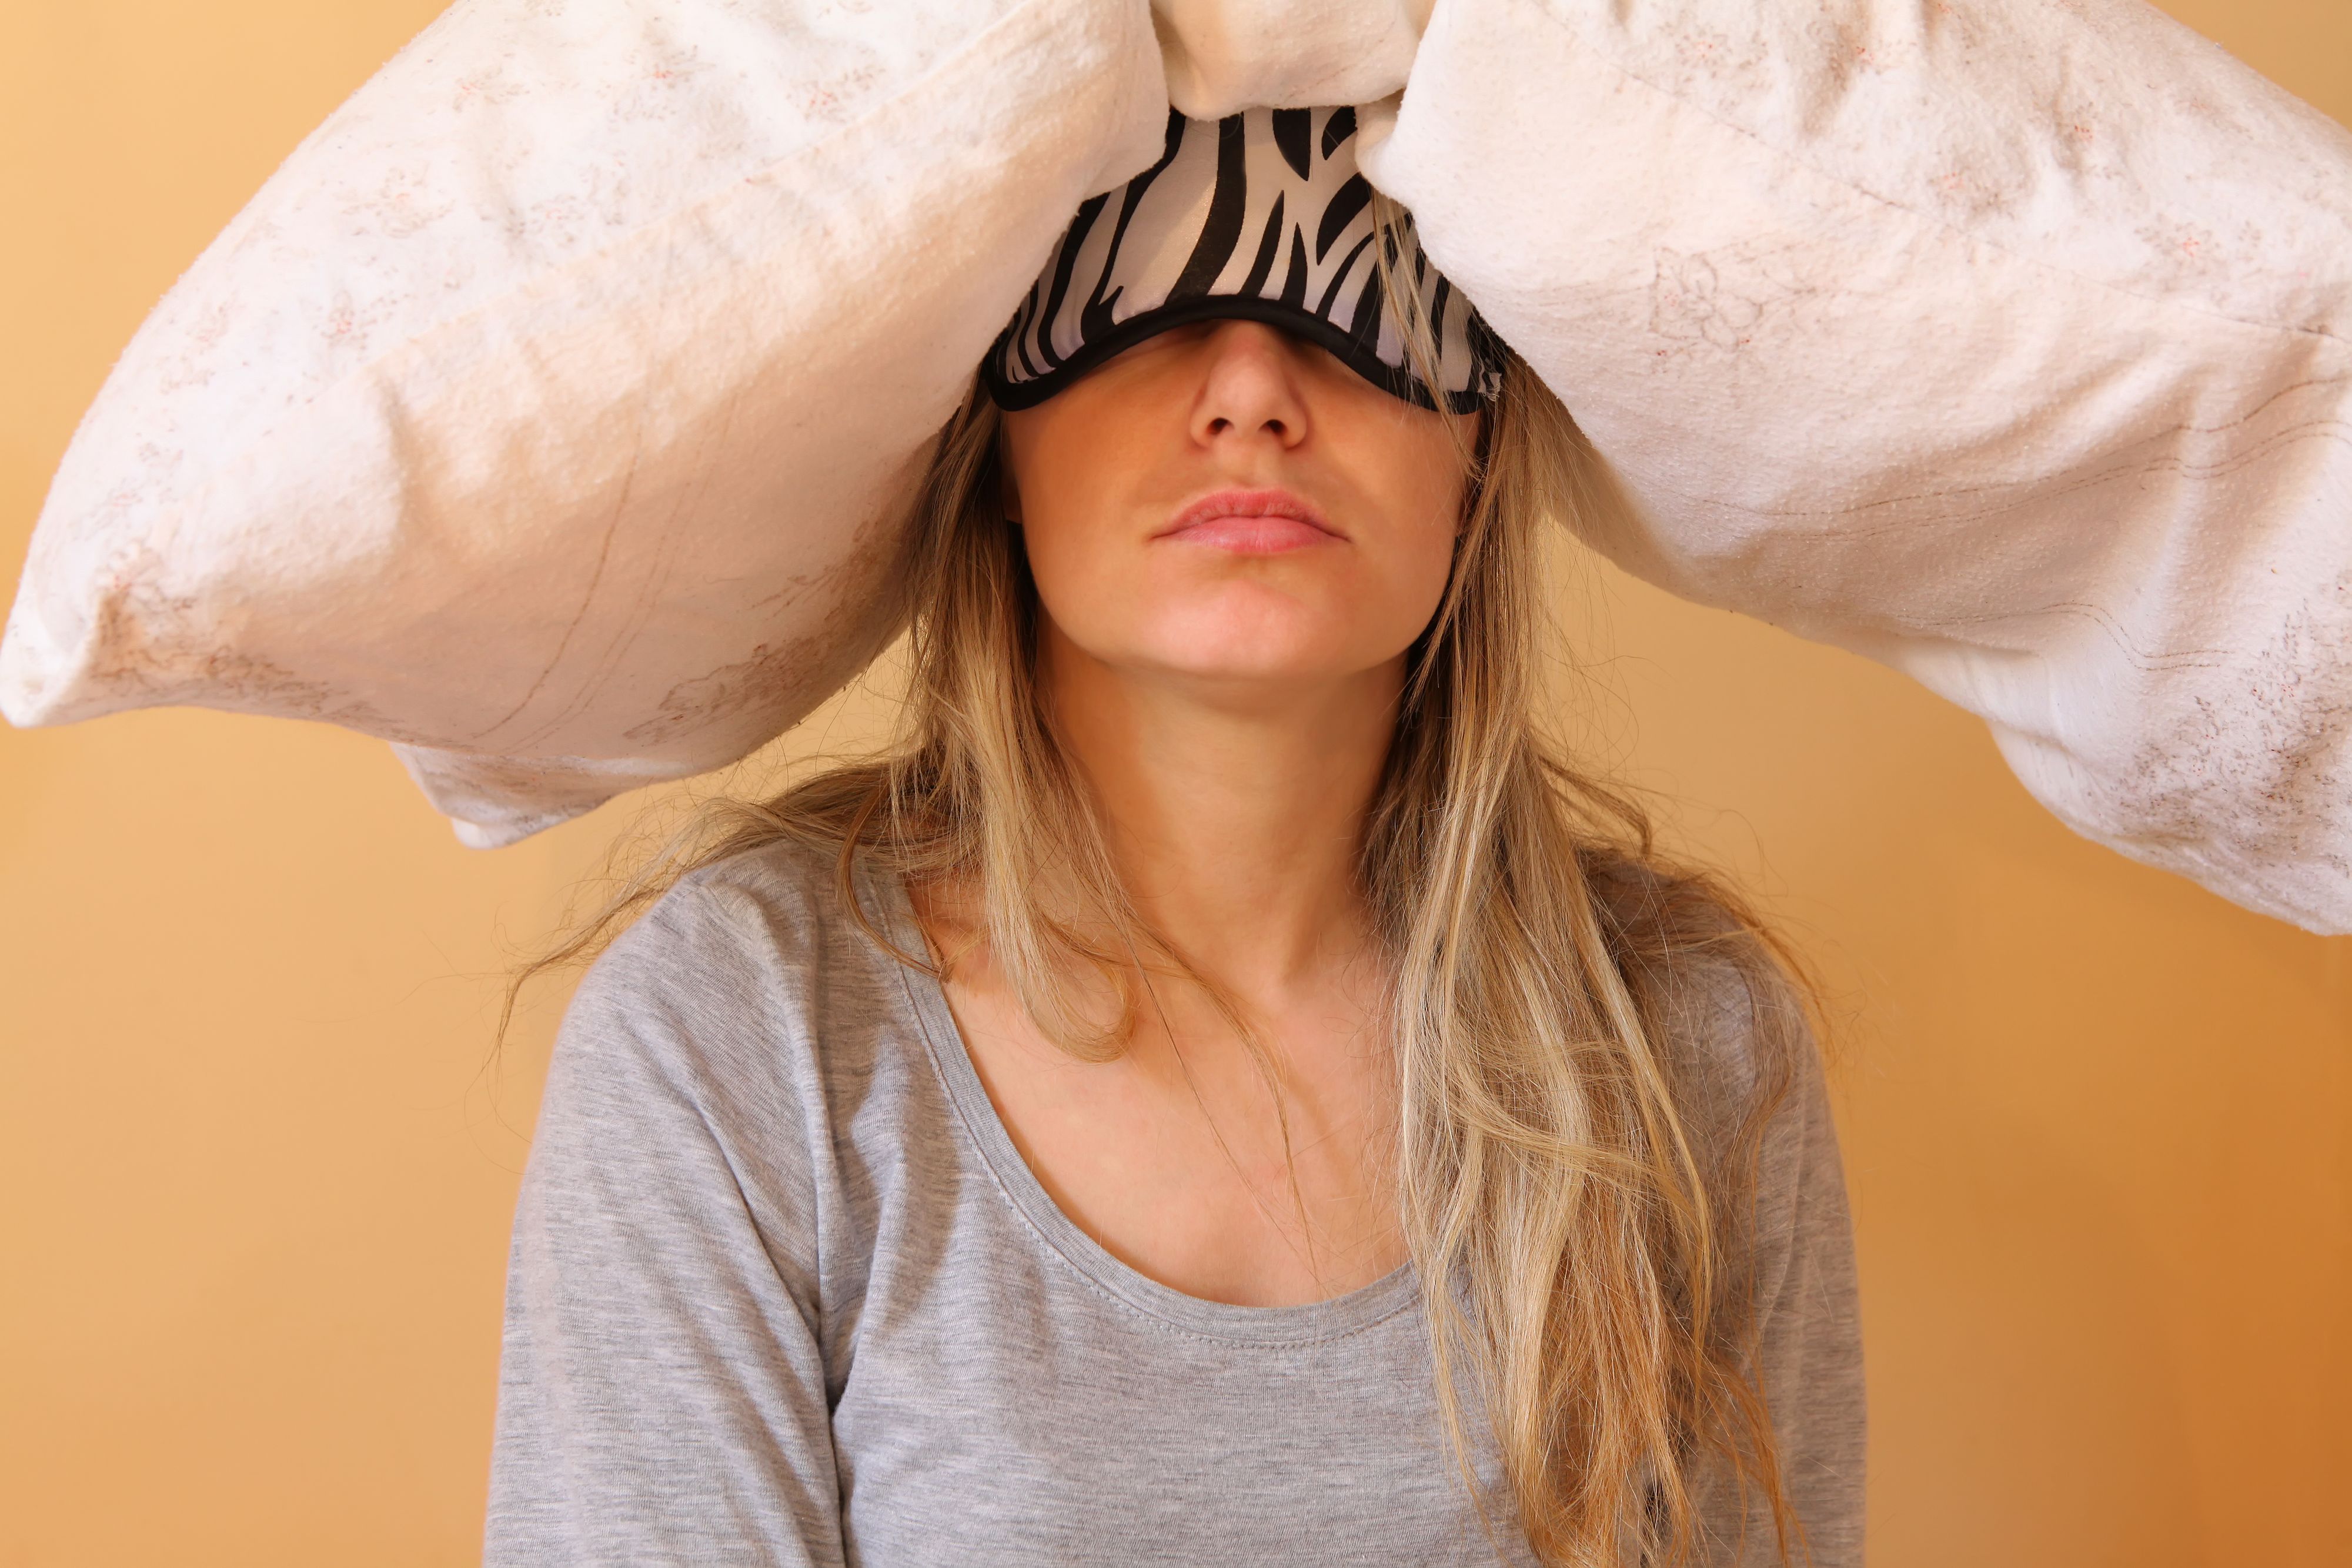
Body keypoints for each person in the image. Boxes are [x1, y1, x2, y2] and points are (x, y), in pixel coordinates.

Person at [485, 109, 1862, 1567]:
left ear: (1477, 445)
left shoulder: (1681, 1042)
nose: (1252, 394)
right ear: (991, 434)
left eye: (1362, 284)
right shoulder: (746, 1036)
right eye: (1138, 282)